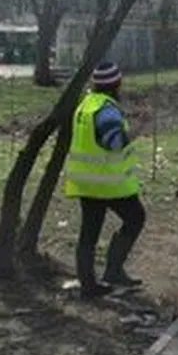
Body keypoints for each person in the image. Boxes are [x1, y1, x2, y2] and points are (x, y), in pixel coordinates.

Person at [63, 61, 145, 299]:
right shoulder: (107, 109)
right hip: (109, 183)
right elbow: (115, 142)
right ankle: (113, 270)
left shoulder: (86, 105)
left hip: (85, 181)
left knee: (89, 232)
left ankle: (88, 285)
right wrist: (140, 127)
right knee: (136, 218)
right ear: (116, 85)